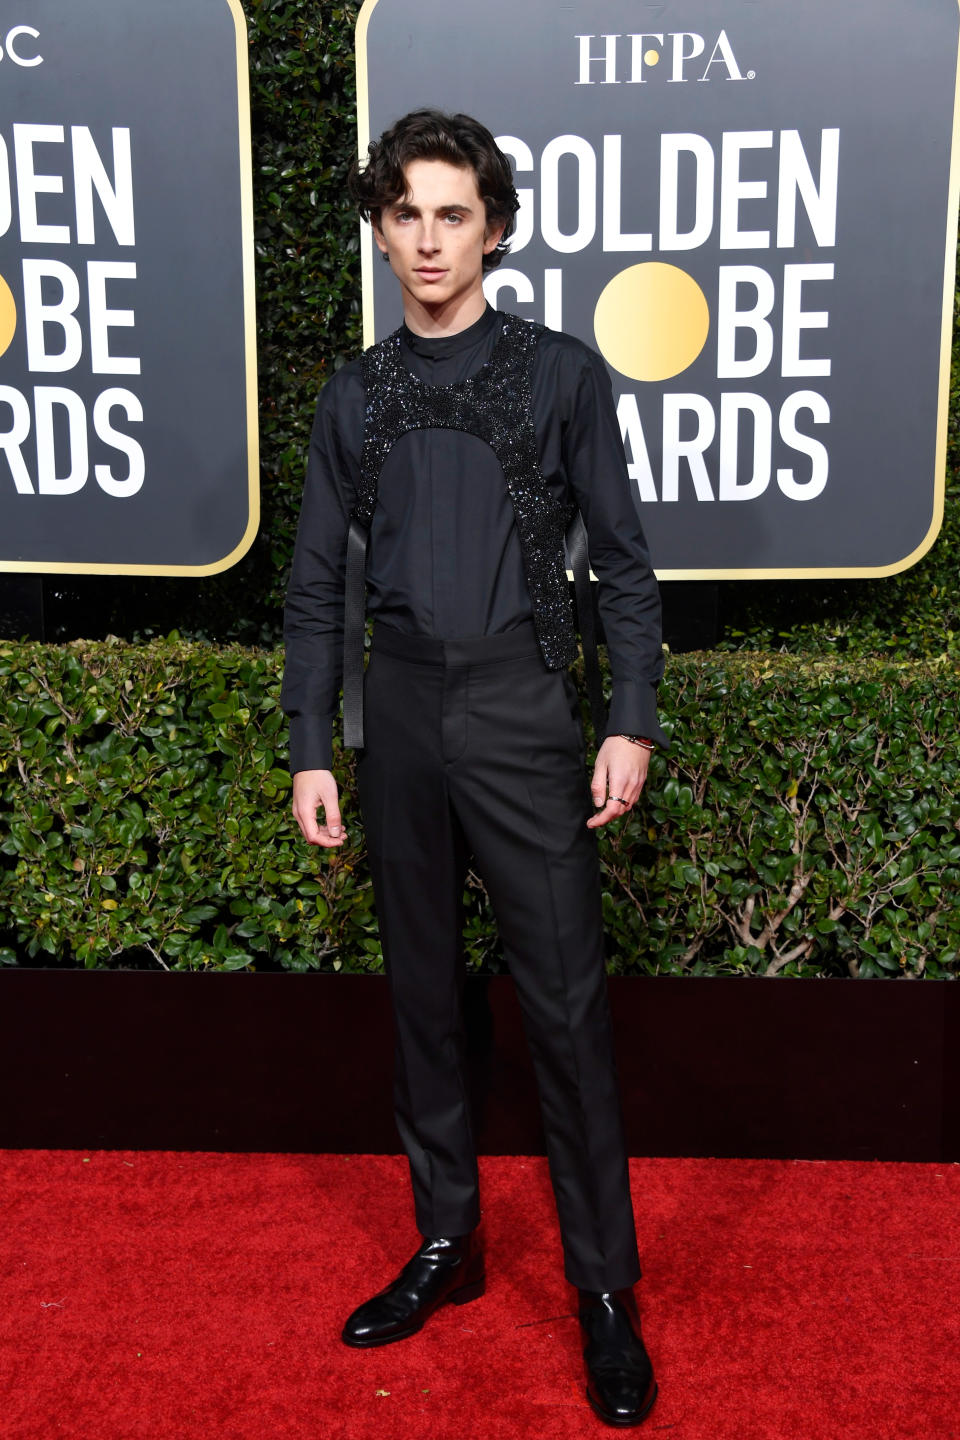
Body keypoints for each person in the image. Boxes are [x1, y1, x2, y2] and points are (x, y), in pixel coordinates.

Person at [281, 109, 666, 1428]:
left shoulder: (560, 375)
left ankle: (605, 1291)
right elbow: (319, 579)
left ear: (493, 228)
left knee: (565, 1011)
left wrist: (631, 717)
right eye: (406, 212)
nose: (428, 236)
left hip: (520, 714)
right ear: (381, 228)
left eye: (454, 212)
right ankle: (448, 1242)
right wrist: (310, 743)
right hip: (397, 717)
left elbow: (622, 557)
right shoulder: (356, 392)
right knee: (426, 1000)